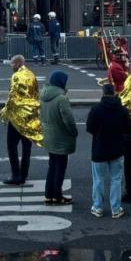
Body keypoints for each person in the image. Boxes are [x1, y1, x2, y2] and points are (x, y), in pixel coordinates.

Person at [87, 84, 131, 219]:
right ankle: (116, 209)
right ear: (115, 93)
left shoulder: (95, 109)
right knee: (116, 179)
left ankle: (98, 207)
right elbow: (128, 129)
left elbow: (90, 128)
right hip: (117, 149)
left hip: (99, 149)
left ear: (103, 93)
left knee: (98, 180)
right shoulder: (122, 110)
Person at [0, 55, 42, 185]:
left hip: (17, 117)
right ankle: (24, 173)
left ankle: (16, 175)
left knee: (11, 146)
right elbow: (36, 94)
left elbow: (12, 97)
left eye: (12, 64)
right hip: (30, 116)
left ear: (18, 63)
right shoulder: (32, 75)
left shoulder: (16, 76)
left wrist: (5, 112)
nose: (11, 66)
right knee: (26, 147)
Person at [40, 70, 77, 205]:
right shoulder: (61, 99)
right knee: (60, 167)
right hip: (61, 137)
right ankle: (57, 195)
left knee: (52, 165)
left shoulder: (43, 95)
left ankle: (48, 195)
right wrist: (74, 132)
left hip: (49, 135)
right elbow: (68, 120)